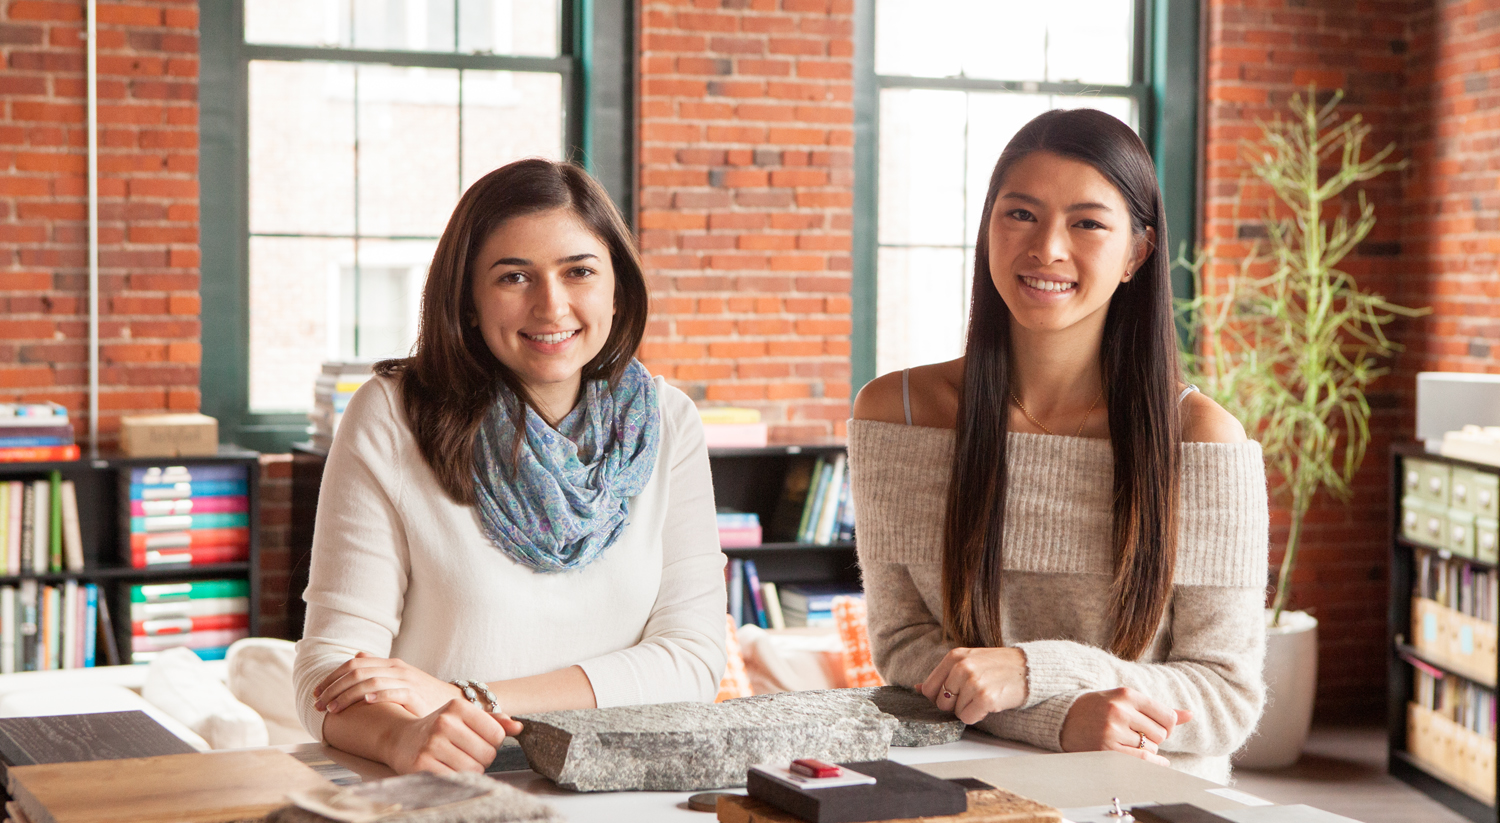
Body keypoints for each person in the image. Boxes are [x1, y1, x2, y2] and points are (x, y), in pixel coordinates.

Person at [849, 108, 1268, 783]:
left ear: (1137, 252)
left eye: (1088, 222)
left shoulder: (1202, 440)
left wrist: (1034, 670)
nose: (1047, 247)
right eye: (1020, 214)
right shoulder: (896, 415)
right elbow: (904, 645)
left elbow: (1225, 696)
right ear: (987, 228)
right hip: (971, 784)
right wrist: (1058, 720)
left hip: (1148, 794)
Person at [293, 159, 727, 775]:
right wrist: (402, 738)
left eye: (579, 271)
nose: (551, 306)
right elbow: (330, 670)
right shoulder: (391, 415)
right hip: (445, 789)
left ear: (616, 289)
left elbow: (692, 663)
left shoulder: (670, 421)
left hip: (626, 789)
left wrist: (471, 698)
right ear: (468, 299)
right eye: (514, 277)